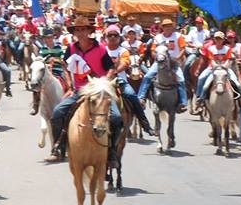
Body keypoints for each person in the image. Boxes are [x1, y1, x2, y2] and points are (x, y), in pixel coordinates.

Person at [48, 16, 123, 162]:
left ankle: (112, 152)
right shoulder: (71, 48)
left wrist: (104, 82)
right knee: (57, 113)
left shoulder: (100, 48)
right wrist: (69, 84)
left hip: (98, 91)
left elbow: (111, 68)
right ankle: (58, 147)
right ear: (74, 32)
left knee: (116, 118)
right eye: (77, 30)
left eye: (83, 29)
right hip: (80, 90)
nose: (80, 32)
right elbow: (66, 66)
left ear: (89, 31)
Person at [104, 26, 155, 136]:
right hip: (103, 82)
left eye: (115, 35)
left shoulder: (123, 51)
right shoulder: (102, 50)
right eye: (110, 35)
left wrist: (113, 72)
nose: (112, 37)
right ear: (106, 37)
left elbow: (124, 64)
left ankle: (145, 124)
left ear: (119, 37)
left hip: (119, 81)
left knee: (132, 95)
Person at [137, 18, 189, 113]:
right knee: (148, 76)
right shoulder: (158, 38)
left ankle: (183, 102)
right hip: (160, 61)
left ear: (172, 27)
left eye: (169, 26)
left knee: (181, 79)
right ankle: (141, 97)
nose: (168, 28)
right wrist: (156, 57)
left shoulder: (178, 36)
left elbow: (183, 49)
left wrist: (177, 58)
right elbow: (153, 50)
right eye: (166, 26)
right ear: (163, 28)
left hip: (173, 61)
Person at [35, 29, 71, 114]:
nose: (49, 39)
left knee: (67, 81)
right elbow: (40, 60)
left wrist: (56, 59)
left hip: (57, 69)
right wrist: (45, 62)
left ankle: (68, 98)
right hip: (46, 71)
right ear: (44, 39)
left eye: (50, 37)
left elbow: (62, 58)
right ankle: (36, 104)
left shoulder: (58, 48)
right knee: (36, 83)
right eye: (47, 38)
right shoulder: (42, 49)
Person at [194, 31, 231, 104]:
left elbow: (228, 60)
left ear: (223, 40)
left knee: (237, 82)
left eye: (220, 39)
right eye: (216, 39)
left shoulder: (227, 49)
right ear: (214, 39)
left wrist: (224, 66)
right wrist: (216, 66)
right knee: (201, 79)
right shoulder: (211, 49)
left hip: (225, 69)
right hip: (212, 69)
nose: (218, 41)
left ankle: (240, 99)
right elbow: (212, 60)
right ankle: (199, 97)